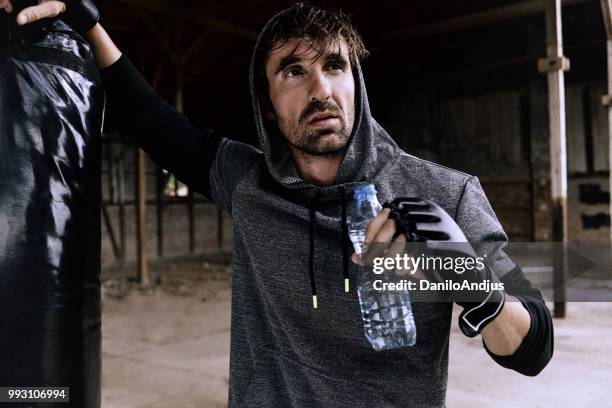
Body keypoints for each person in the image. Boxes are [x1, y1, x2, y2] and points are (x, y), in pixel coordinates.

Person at [3, 1, 554, 407]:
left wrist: (469, 282)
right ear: (267, 104)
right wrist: (87, 20)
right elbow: (150, 118)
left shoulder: (444, 194)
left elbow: (532, 348)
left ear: (355, 83)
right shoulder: (246, 181)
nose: (320, 89)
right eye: (293, 70)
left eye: (334, 66)